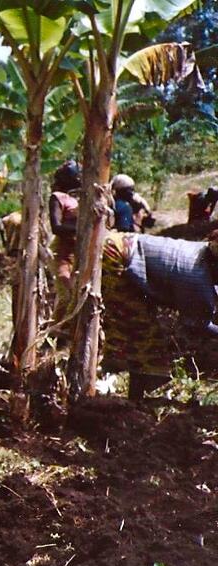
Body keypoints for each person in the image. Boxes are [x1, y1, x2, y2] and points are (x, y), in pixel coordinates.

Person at [102, 231, 218, 399]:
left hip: (118, 242)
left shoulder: (203, 252)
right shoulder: (195, 278)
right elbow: (197, 325)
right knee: (141, 334)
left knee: (140, 332)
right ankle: (130, 399)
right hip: (114, 256)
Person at [48, 161, 82, 324]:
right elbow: (57, 227)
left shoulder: (76, 199)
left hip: (75, 253)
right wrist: (80, 229)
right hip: (61, 253)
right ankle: (52, 336)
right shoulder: (57, 198)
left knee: (75, 295)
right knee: (66, 296)